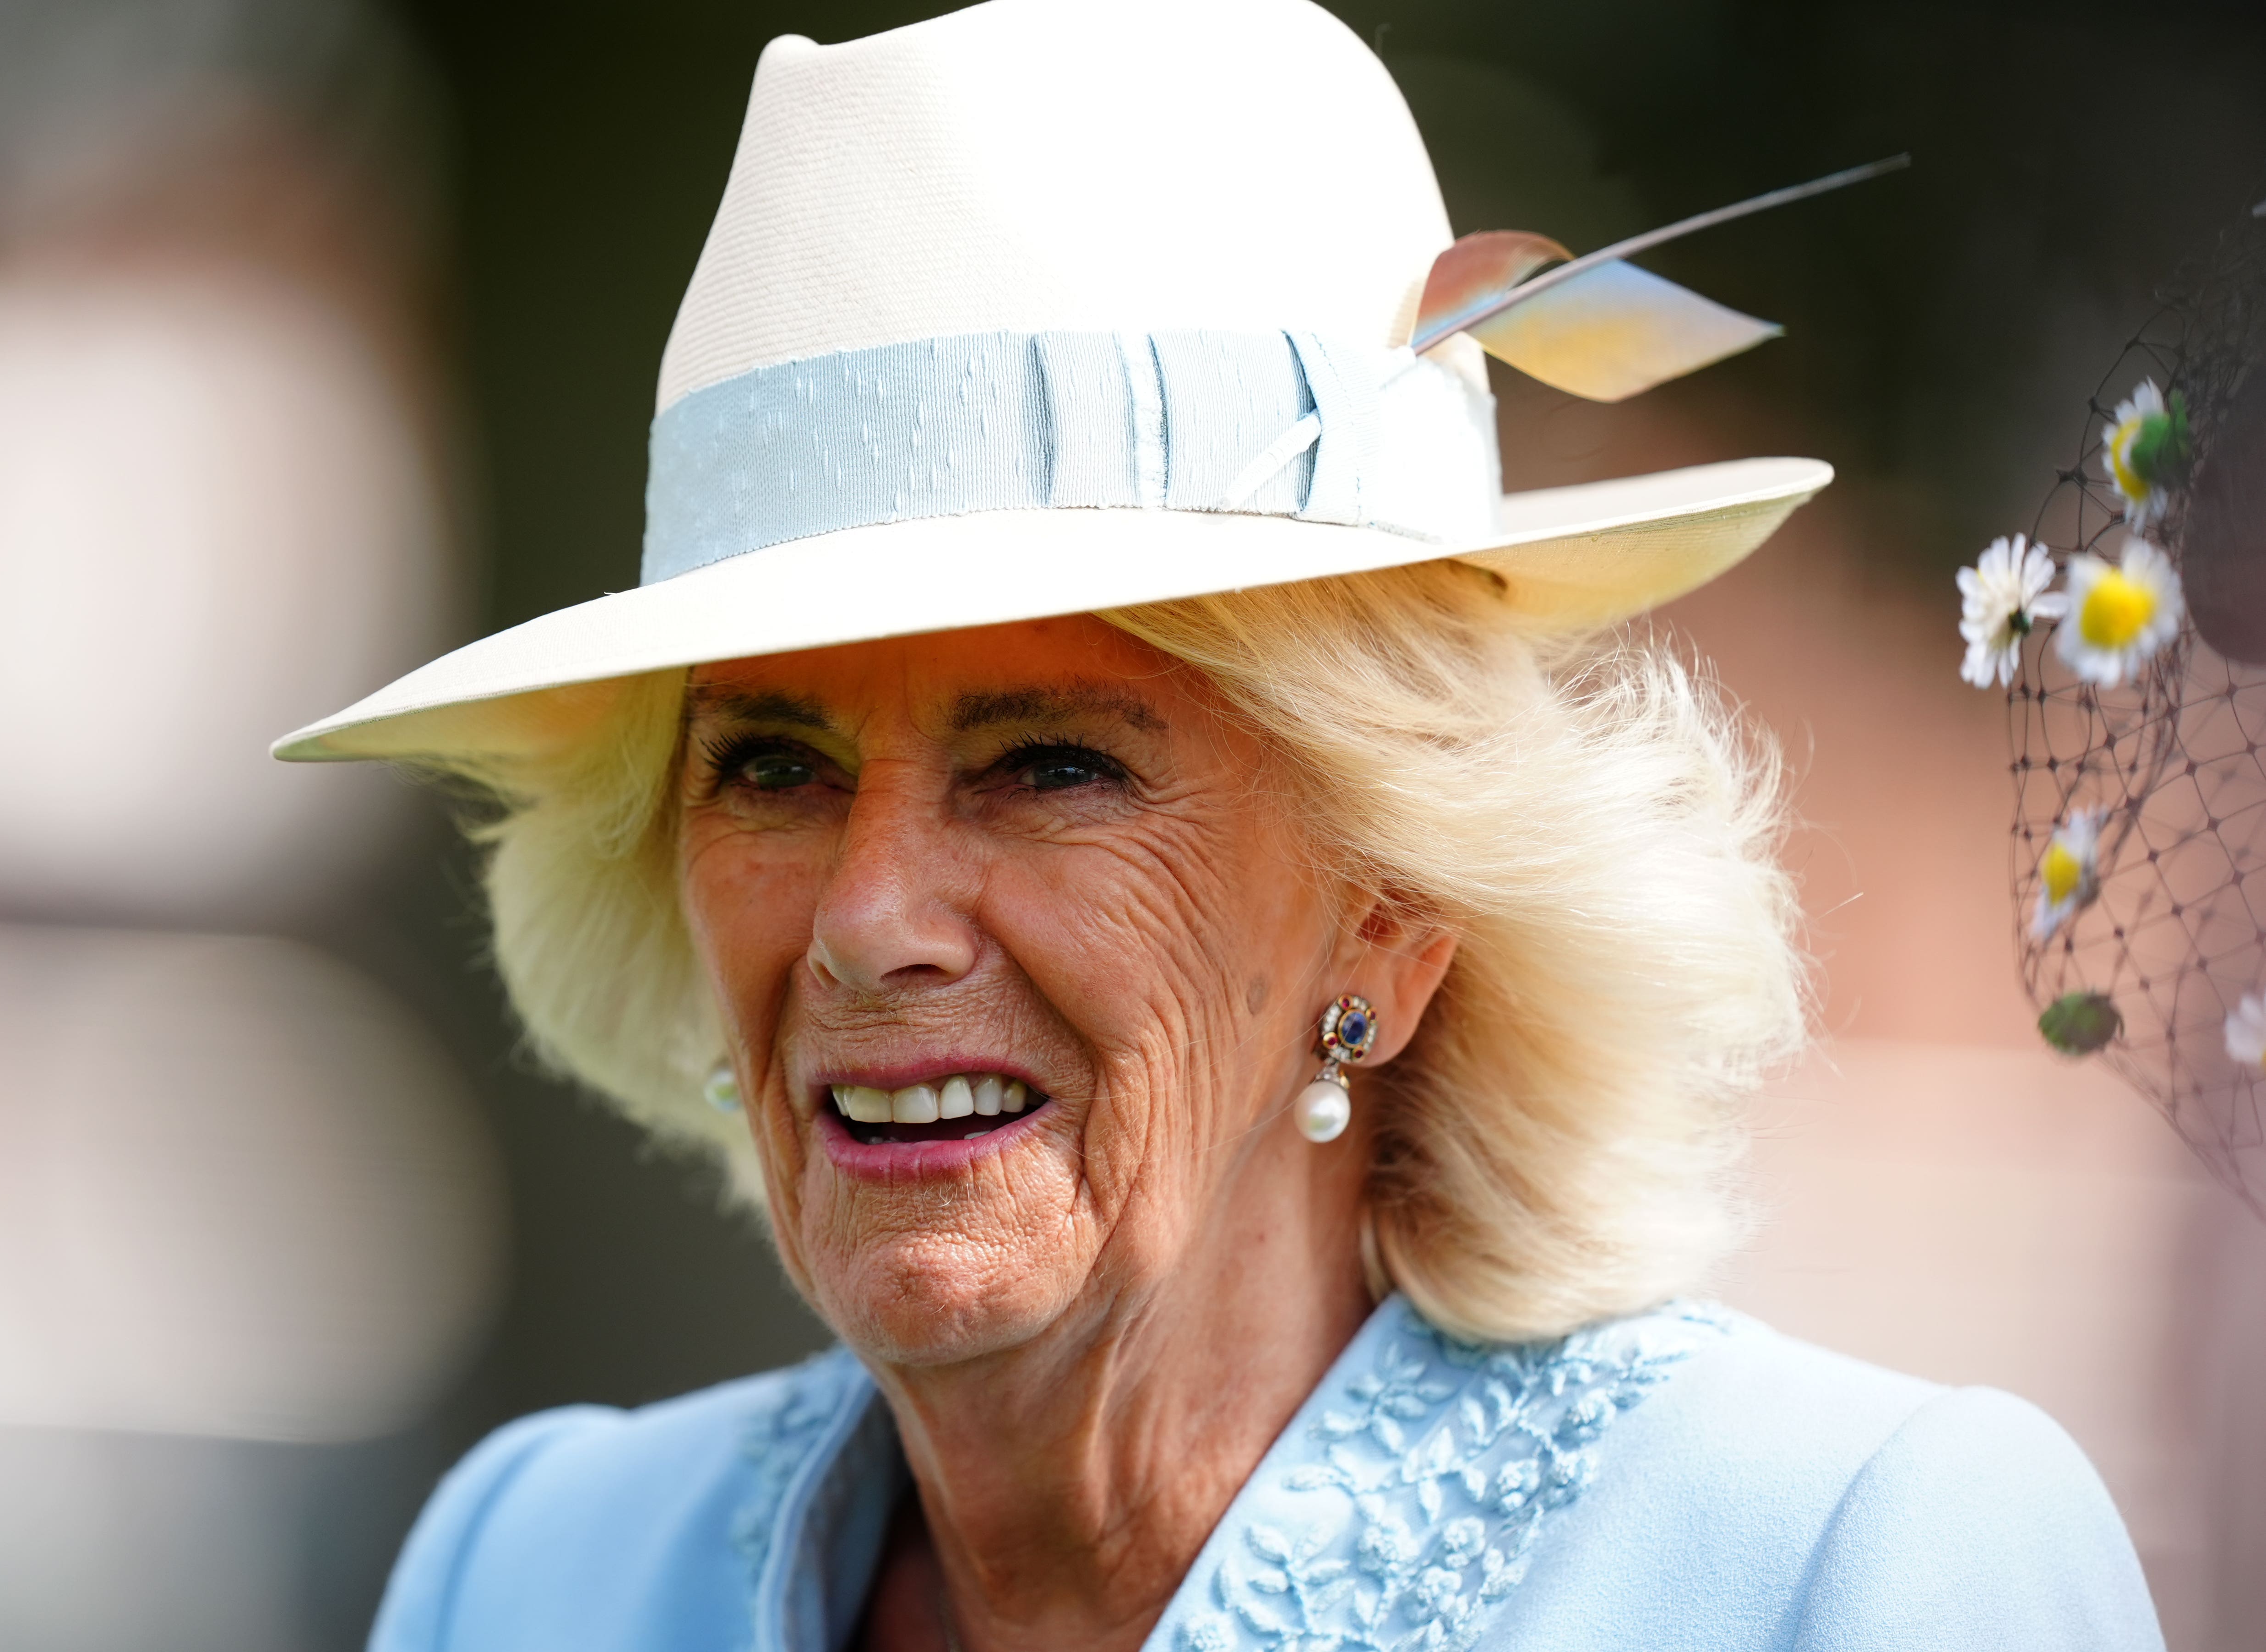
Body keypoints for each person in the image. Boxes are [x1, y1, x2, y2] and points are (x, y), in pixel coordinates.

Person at [277, 1, 2165, 1646]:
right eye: (773, 763)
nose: (869, 913)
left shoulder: (1848, 1572)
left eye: (1051, 764)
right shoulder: (530, 1576)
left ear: (1394, 908)